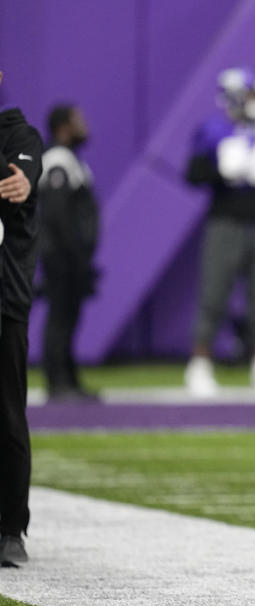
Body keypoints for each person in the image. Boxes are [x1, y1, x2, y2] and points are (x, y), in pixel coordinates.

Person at [183, 68, 255, 397]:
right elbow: (193, 173)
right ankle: (200, 364)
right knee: (214, 294)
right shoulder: (213, 129)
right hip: (225, 221)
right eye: (253, 95)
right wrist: (220, 170)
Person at [0, 70, 45, 567]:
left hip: (4, 298)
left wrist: (23, 179)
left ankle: (11, 527)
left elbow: (18, 182)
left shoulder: (19, 135)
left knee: (8, 412)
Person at [37, 104, 99, 402]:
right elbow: (58, 212)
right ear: (63, 127)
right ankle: (57, 381)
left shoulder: (70, 159)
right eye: (78, 120)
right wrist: (74, 254)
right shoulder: (58, 159)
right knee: (60, 316)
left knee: (69, 317)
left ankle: (69, 378)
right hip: (60, 255)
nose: (84, 125)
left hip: (69, 254)